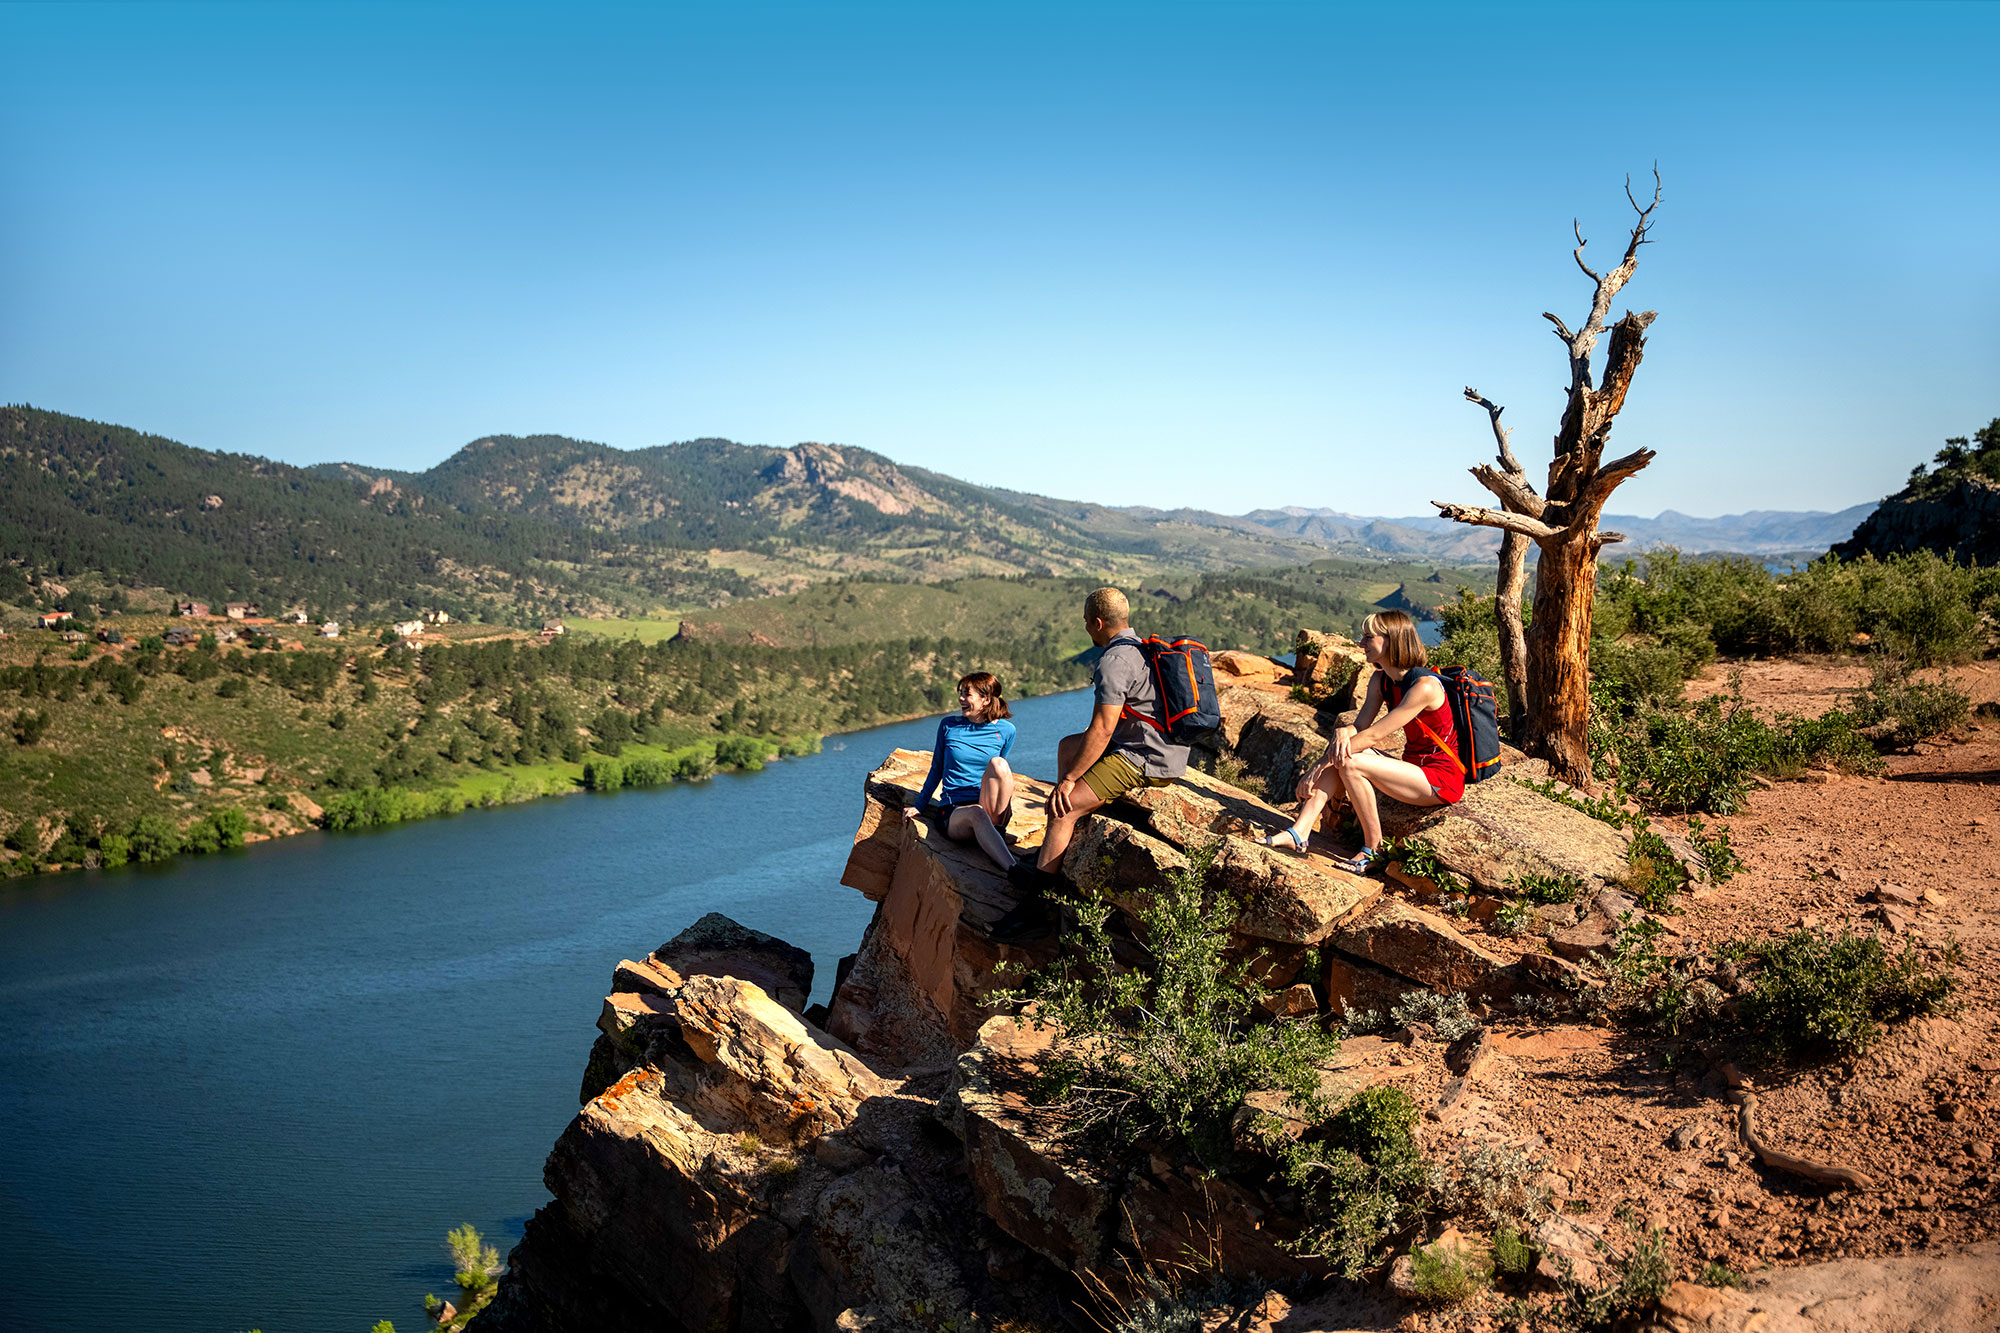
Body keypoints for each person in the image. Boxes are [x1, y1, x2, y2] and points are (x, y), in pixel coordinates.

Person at [999, 587, 1188, 926]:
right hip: (1160, 746)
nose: (1087, 629)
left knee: (1063, 808)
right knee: (1067, 747)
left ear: (1098, 623)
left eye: (1087, 623)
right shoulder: (1140, 647)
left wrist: (1070, 781)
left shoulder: (1114, 661)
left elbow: (1102, 729)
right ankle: (1052, 853)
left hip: (1144, 756)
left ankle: (1039, 906)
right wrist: (1073, 764)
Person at [1258, 609, 1463, 872]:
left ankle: (1373, 849)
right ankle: (1299, 831)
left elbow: (1376, 734)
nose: (1360, 643)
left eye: (1368, 637)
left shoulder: (1424, 686)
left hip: (1439, 779)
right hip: (1413, 769)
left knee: (1350, 761)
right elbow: (1360, 725)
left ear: (1391, 640)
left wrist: (1315, 767)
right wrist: (1345, 732)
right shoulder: (1381, 679)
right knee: (1344, 751)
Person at [905, 671, 1018, 869]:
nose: (961, 699)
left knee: (1000, 765)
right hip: (954, 811)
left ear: (986, 699)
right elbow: (937, 768)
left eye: (967, 694)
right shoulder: (948, 726)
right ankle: (1014, 869)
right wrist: (920, 805)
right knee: (977, 813)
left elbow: (999, 778)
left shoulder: (1007, 730)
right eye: (961, 693)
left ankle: (996, 831)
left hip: (987, 804)